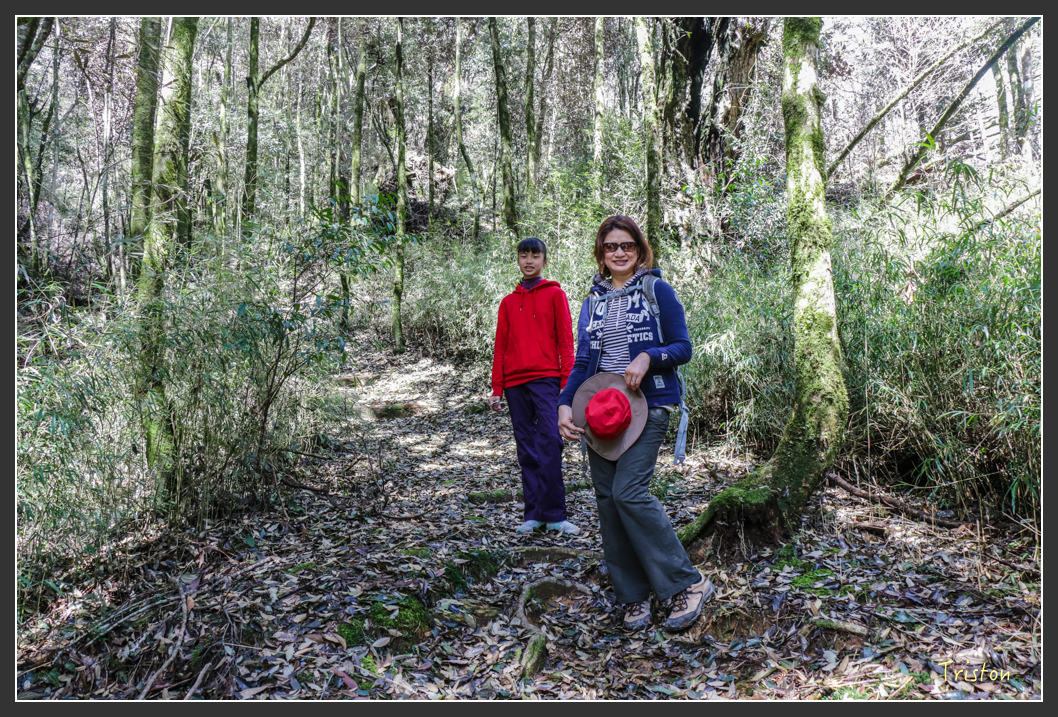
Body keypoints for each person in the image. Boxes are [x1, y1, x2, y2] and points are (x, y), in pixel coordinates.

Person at [557, 215, 714, 631]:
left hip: (648, 406)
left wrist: (649, 357)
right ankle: (632, 597)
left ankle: (687, 583)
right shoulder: (591, 302)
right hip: (600, 414)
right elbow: (581, 363)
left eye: (627, 245)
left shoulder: (657, 289)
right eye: (611, 247)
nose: (620, 252)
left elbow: (683, 347)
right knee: (608, 504)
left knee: (629, 493)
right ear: (602, 254)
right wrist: (563, 405)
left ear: (640, 249)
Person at [490, 237, 580, 535]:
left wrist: (567, 388)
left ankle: (555, 515)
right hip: (515, 383)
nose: (529, 261)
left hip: (546, 380)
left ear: (544, 260)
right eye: (523, 255)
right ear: (518, 259)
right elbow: (500, 347)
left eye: (535, 255)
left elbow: (567, 344)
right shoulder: (508, 302)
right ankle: (534, 514)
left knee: (550, 444)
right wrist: (496, 388)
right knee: (526, 447)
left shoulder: (556, 295)